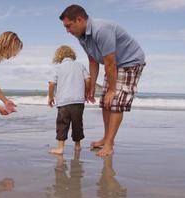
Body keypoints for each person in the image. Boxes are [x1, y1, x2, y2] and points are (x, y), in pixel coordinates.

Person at [59, 5, 145, 156]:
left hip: (130, 62)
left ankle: (109, 145)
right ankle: (106, 138)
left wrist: (112, 91)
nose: (67, 31)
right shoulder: (81, 37)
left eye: (68, 26)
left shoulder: (101, 30)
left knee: (115, 103)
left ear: (79, 20)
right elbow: (93, 61)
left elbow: (110, 62)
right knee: (105, 102)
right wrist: (91, 87)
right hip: (114, 64)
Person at [48, 45, 90, 154]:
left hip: (63, 102)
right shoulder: (80, 66)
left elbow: (52, 84)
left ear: (59, 56)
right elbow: (88, 80)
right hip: (78, 101)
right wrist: (86, 92)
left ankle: (60, 148)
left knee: (62, 124)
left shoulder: (58, 68)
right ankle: (77, 145)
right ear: (72, 55)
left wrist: (50, 97)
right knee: (77, 123)